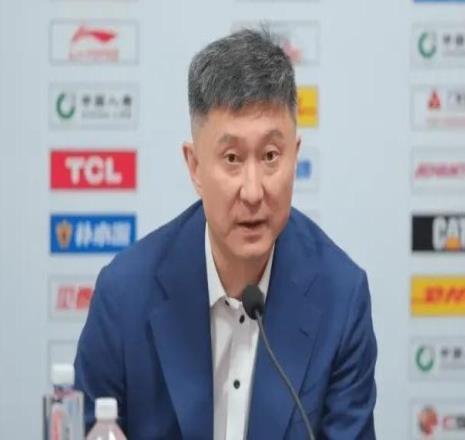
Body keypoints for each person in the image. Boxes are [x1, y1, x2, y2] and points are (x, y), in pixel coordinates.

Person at [74, 29, 377, 439]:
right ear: (195, 166)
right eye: (232, 158)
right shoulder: (125, 294)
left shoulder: (341, 297)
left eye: (270, 156)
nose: (253, 192)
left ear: (295, 155)